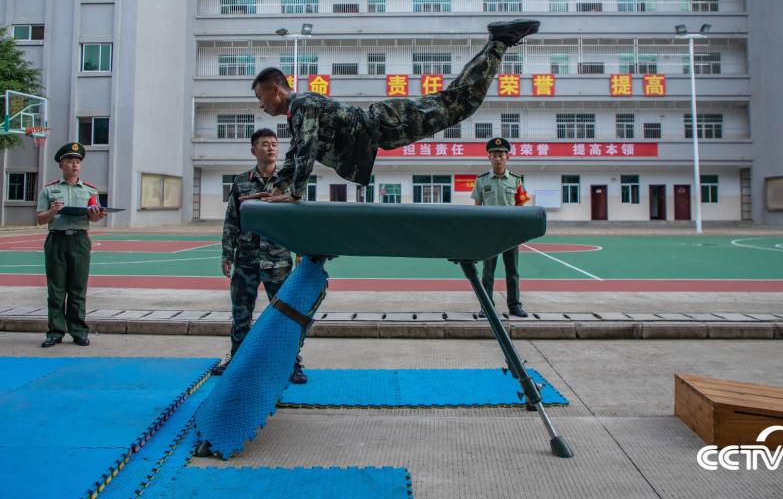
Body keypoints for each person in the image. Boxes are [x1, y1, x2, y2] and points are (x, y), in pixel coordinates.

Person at [249, 19, 540, 202]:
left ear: (276, 89)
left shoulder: (302, 105)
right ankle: (498, 42)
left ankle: (499, 42)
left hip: (388, 123)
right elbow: (296, 151)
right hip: (387, 125)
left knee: (459, 103)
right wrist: (277, 187)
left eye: (262, 98)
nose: (262, 107)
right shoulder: (298, 113)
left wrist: (295, 194)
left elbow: (306, 150)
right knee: (455, 100)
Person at [216, 128, 308, 384]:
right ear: (253, 150)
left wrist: (301, 251)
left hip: (278, 259)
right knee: (240, 313)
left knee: (286, 314)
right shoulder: (241, 182)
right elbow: (231, 220)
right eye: (264, 144)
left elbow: (299, 220)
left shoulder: (288, 181)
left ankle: (292, 364)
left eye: (274, 144)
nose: (270, 148)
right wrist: (227, 253)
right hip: (246, 259)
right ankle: (237, 360)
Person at [36, 142, 105, 348]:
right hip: (57, 239)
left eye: (77, 162)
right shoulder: (49, 190)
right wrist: (52, 211)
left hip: (79, 240)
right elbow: (40, 218)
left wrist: (96, 215)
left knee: (78, 287)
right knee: (56, 288)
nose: (75, 165)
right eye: (70, 161)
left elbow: (95, 216)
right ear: (61, 164)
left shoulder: (90, 190)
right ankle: (55, 331)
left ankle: (78, 331)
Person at [471, 137, 529, 318]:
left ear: (507, 158)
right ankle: (486, 306)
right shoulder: (481, 181)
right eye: (494, 155)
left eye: (501, 155)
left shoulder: (517, 180)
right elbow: (478, 208)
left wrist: (519, 231)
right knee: (488, 273)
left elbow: (521, 206)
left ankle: (515, 306)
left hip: (510, 234)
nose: (498, 158)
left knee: (512, 272)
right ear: (489, 157)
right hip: (490, 234)